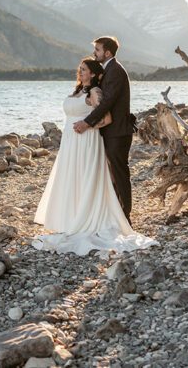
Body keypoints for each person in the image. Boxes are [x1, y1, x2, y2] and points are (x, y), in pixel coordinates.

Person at [33, 57, 156, 256]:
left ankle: (88, 217)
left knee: (85, 176)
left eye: (84, 69)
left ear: (93, 74)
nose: (80, 72)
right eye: (79, 69)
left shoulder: (94, 92)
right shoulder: (78, 91)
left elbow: (106, 118)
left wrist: (87, 126)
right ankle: (71, 217)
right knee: (72, 177)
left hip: (86, 141)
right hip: (71, 142)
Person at [73, 36, 134, 222]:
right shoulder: (108, 70)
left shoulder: (115, 70)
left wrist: (87, 122)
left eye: (98, 50)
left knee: (119, 173)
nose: (95, 53)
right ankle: (114, 214)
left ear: (107, 52)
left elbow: (107, 101)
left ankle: (125, 217)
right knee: (111, 174)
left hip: (118, 131)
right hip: (110, 131)